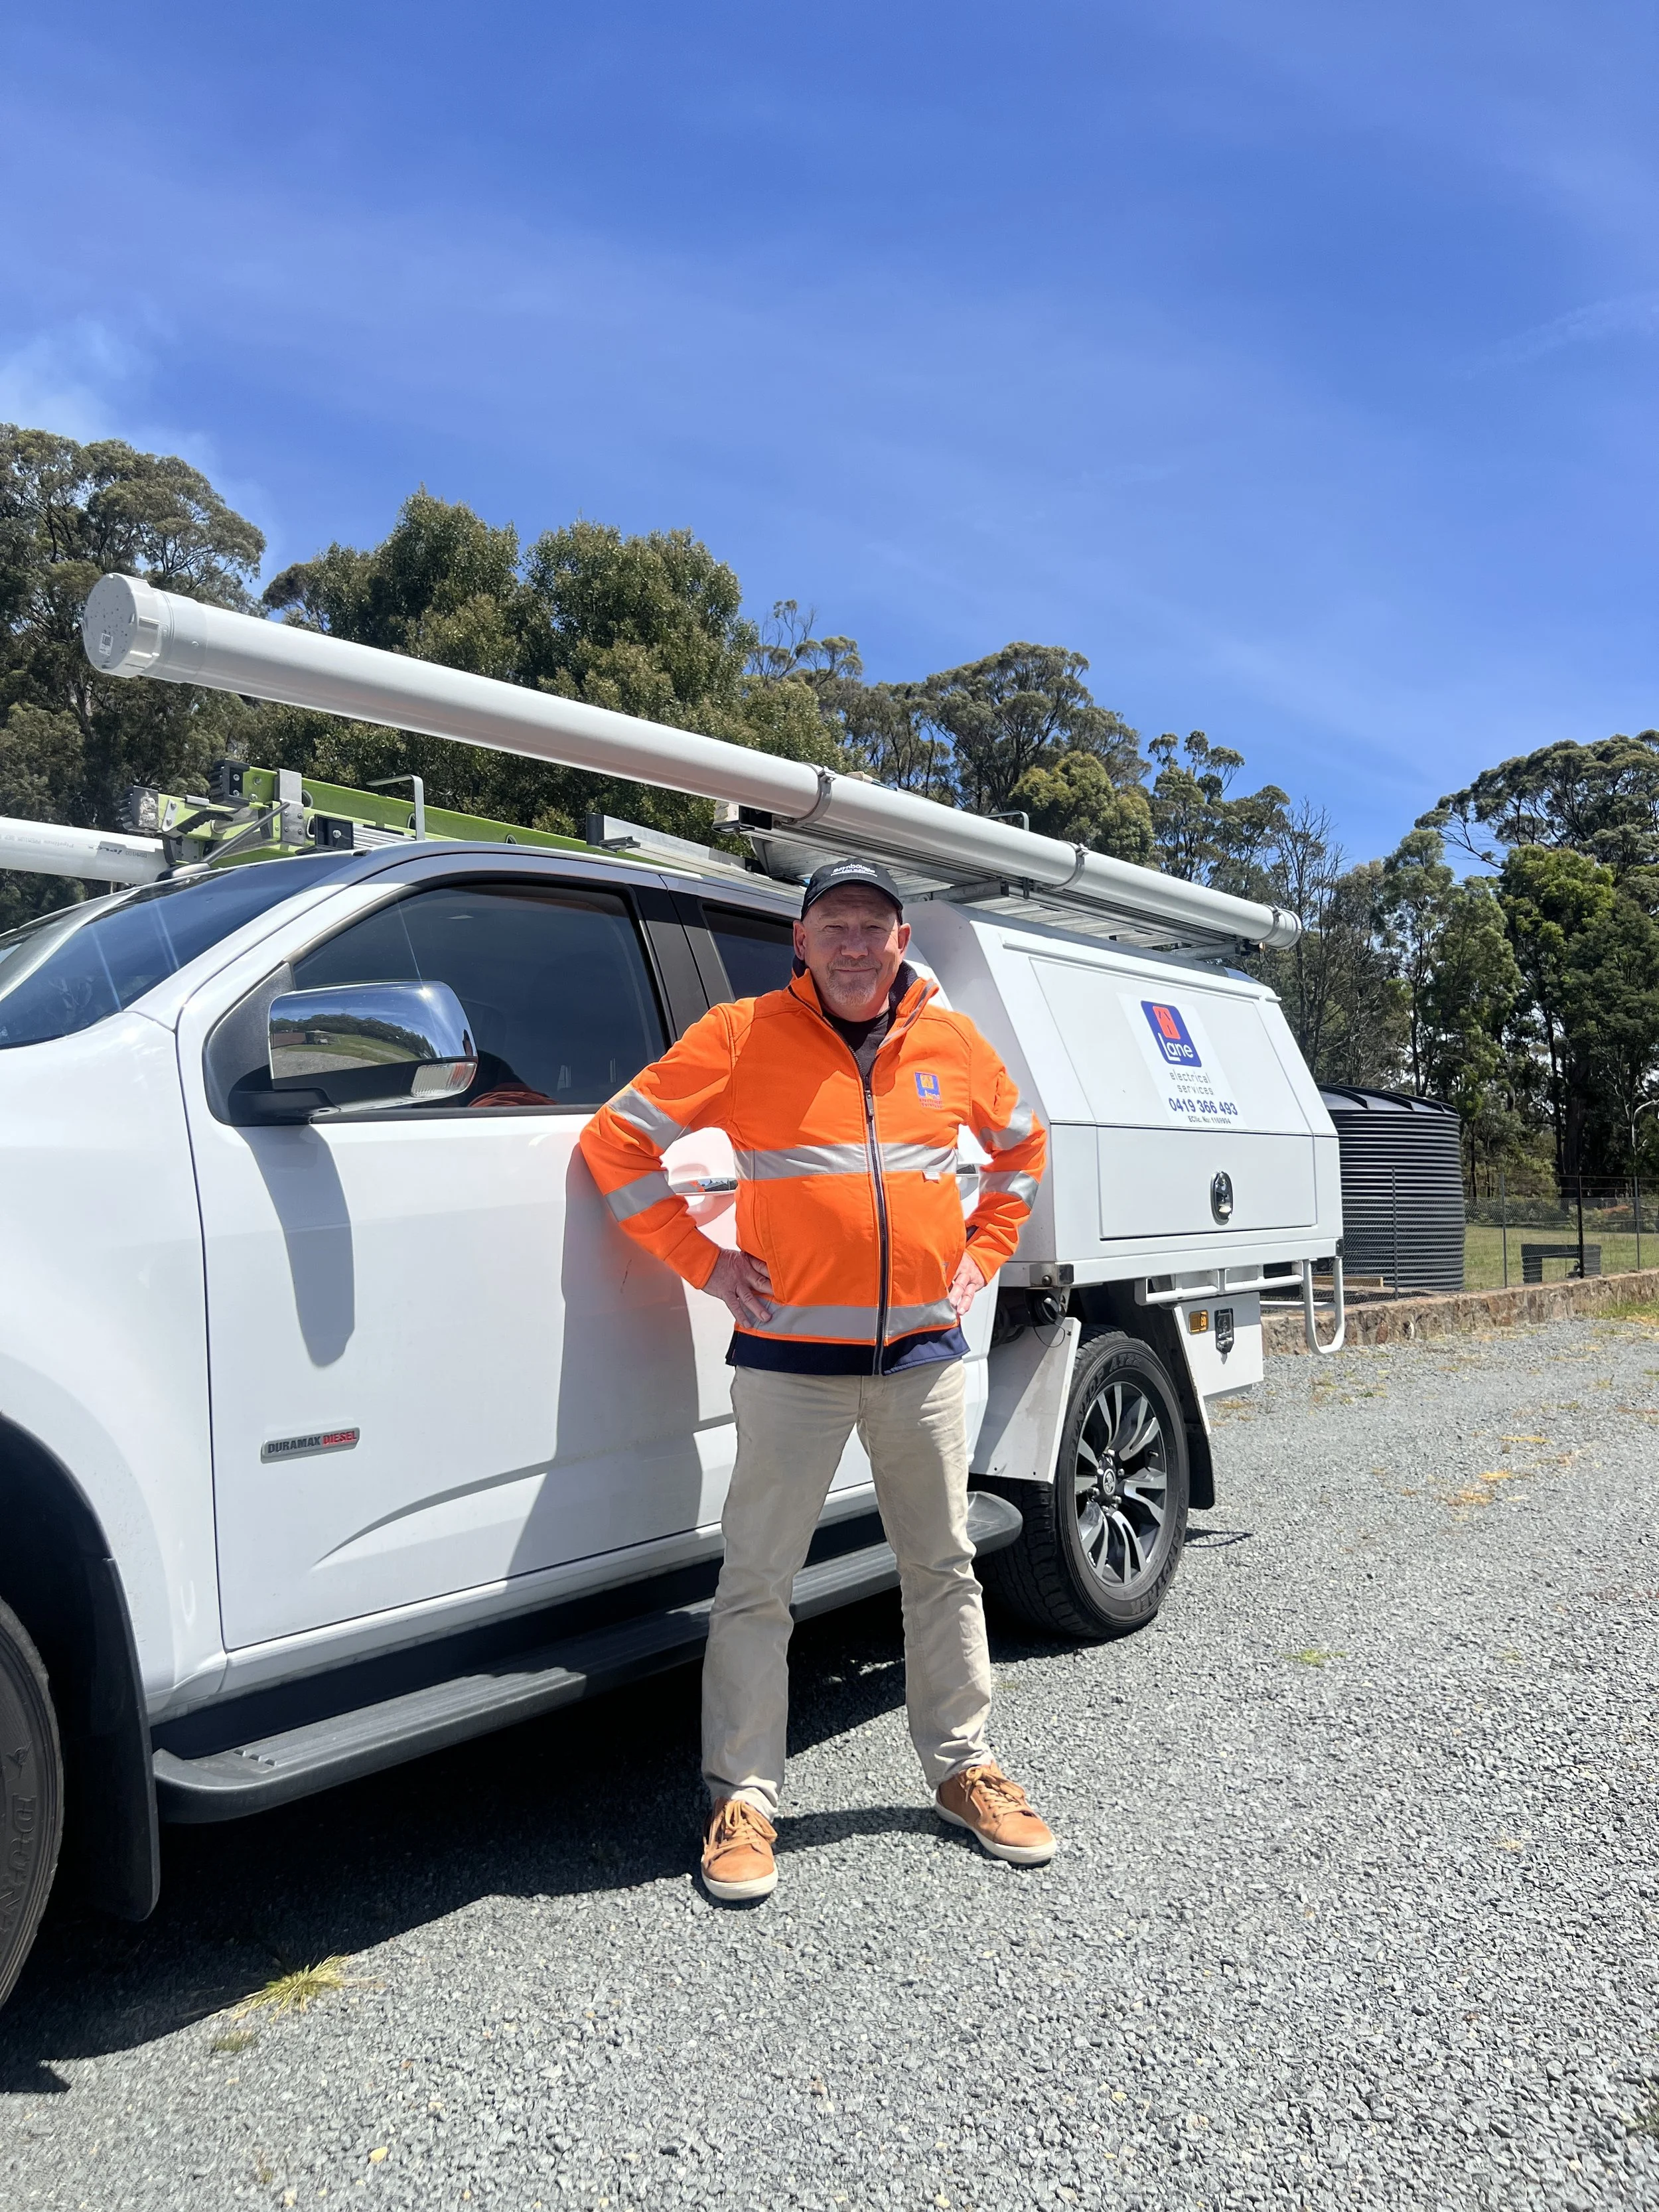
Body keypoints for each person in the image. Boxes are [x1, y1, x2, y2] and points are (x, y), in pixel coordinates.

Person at [580, 856, 1055, 1901]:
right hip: (791, 1367)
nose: (852, 942)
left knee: (942, 1566)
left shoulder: (951, 1041)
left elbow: (1023, 1150)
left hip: (922, 1362)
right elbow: (616, 1145)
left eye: (872, 925)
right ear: (800, 943)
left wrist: (982, 1256)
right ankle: (743, 1797)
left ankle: (964, 1768)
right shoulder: (742, 1036)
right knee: (759, 1584)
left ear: (900, 942)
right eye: (831, 924)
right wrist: (704, 1262)